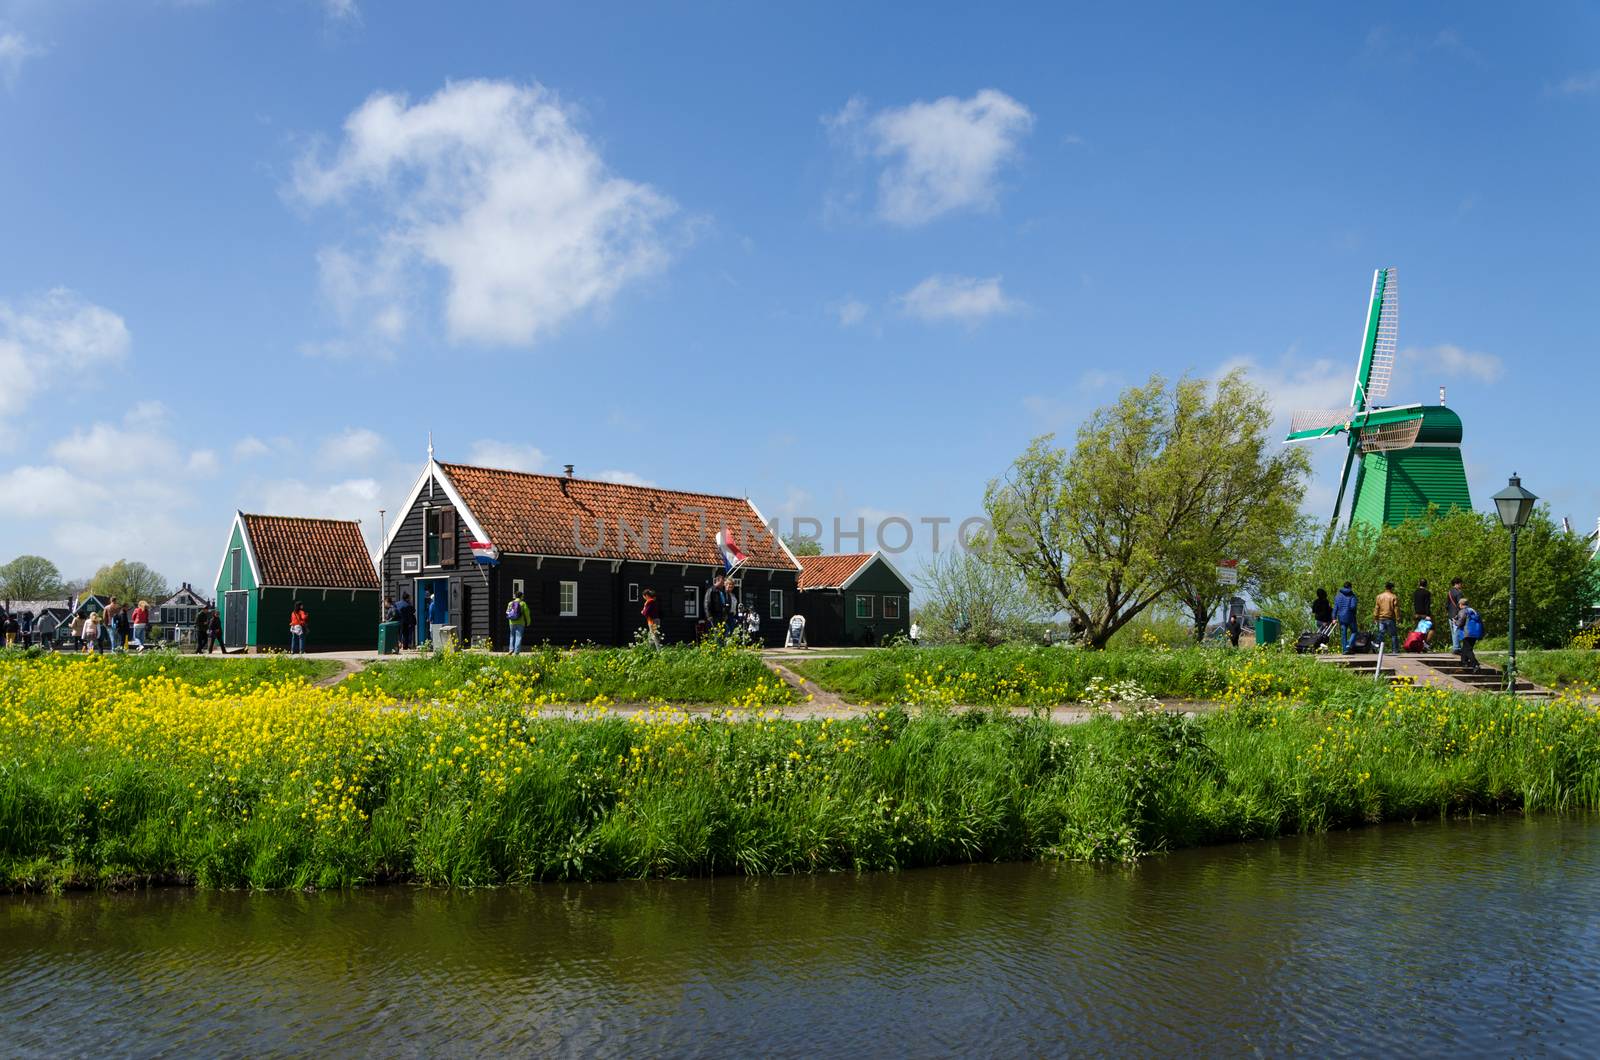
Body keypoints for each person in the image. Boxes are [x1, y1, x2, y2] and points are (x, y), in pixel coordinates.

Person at [1456, 597, 1484, 673]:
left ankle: (1475, 664)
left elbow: (1461, 621)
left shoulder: (1463, 611)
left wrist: (1455, 622)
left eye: (1459, 604)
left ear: (1461, 604)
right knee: (1465, 648)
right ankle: (1464, 662)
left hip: (1467, 632)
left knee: (1468, 649)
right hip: (1476, 632)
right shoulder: (1473, 611)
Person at [1374, 582, 1401, 653]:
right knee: (1393, 635)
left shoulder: (1379, 596)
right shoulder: (1393, 597)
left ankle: (1378, 646)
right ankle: (1395, 650)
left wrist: (1375, 617)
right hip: (1390, 618)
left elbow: (1377, 608)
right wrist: (1398, 618)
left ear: (1385, 588)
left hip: (1381, 618)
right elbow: (1396, 609)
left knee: (1381, 633)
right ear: (1391, 588)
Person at [1334, 582, 1359, 653]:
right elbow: (1353, 606)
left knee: (1343, 634)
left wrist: (1334, 618)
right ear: (1350, 587)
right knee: (1354, 631)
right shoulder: (1352, 595)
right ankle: (1349, 645)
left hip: (1341, 617)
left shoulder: (1338, 596)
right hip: (1350, 616)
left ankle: (1345, 650)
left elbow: (1335, 608)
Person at [505, 588, 529, 654]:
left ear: (515, 596)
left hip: (511, 622)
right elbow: (527, 613)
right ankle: (516, 652)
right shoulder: (523, 603)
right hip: (520, 622)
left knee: (512, 635)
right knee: (518, 636)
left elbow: (507, 612)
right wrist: (528, 622)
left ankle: (511, 649)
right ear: (521, 596)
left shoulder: (510, 603)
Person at [1446, 577, 1465, 652]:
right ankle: (1456, 648)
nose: (1461, 585)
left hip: (1450, 614)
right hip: (1457, 614)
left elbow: (1447, 605)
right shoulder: (1459, 593)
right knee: (1457, 630)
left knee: (1453, 632)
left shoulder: (1449, 592)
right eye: (1460, 583)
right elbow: (1460, 604)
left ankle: (1456, 646)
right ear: (1457, 584)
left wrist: (1449, 612)